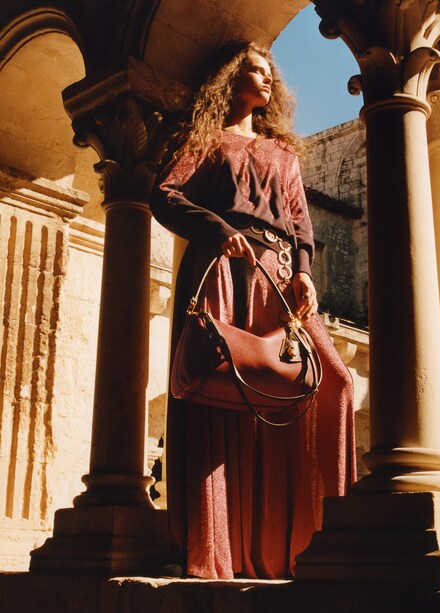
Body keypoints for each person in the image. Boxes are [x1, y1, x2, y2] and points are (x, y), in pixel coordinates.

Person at [150, 41, 355, 580]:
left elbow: (301, 221)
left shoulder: (282, 151)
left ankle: (319, 541)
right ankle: (220, 547)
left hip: (280, 276)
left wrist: (305, 272)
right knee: (222, 394)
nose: (267, 79)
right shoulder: (206, 139)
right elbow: (164, 194)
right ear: (230, 78)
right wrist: (218, 230)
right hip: (223, 268)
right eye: (255, 70)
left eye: (270, 73)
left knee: (334, 382)